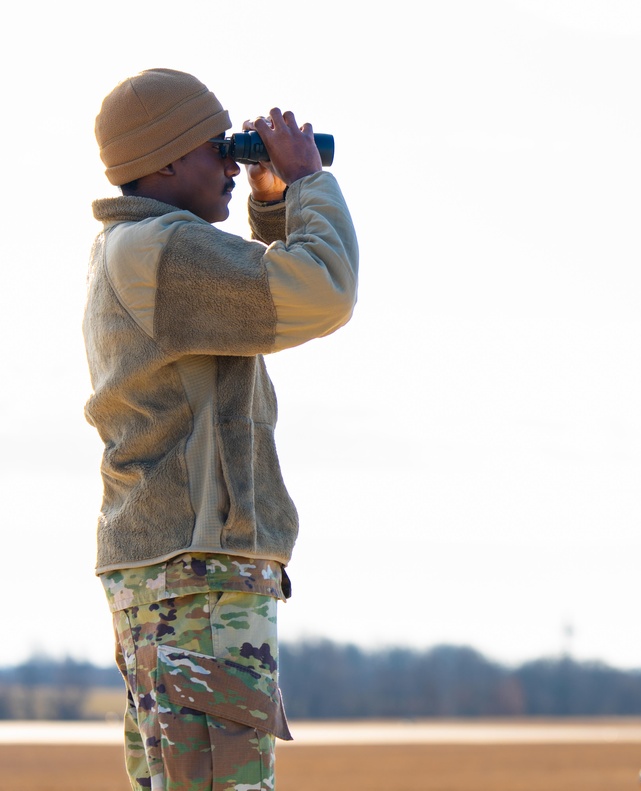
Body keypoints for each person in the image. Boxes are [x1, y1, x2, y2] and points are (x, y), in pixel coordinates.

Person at [83, 68, 359, 790]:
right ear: (167, 159)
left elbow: (257, 304)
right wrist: (306, 183)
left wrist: (270, 209)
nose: (235, 162)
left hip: (171, 571)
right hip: (196, 575)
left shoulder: (138, 249)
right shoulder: (161, 248)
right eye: (219, 147)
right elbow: (321, 292)